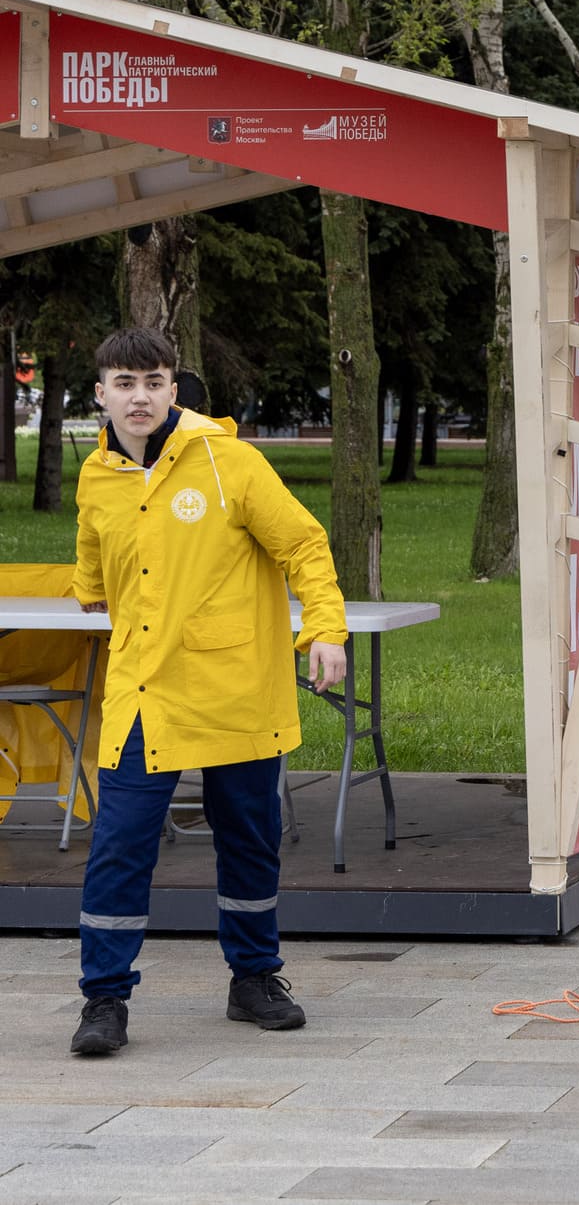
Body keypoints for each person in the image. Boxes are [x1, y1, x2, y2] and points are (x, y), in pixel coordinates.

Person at [68, 327, 349, 1057]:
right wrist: (108, 595)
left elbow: (303, 543)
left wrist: (325, 626)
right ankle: (104, 997)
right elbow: (92, 572)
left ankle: (254, 978)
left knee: (249, 841)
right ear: (100, 393)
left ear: (173, 389)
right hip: (144, 690)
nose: (140, 396)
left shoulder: (230, 461)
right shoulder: (95, 475)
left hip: (236, 689)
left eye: (154, 381)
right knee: (120, 845)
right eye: (125, 382)